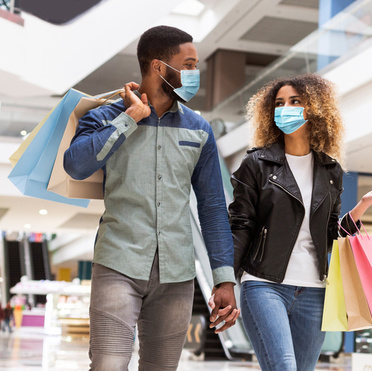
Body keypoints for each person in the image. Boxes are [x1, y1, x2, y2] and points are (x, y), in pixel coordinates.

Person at [64, 25, 239, 370]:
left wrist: (223, 277)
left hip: (177, 273)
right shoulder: (105, 117)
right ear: (159, 67)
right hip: (118, 261)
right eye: (188, 65)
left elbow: (214, 207)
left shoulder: (198, 129)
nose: (194, 73)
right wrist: (130, 119)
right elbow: (76, 165)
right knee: (108, 364)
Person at [227, 74, 372, 371]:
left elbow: (331, 234)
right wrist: (225, 281)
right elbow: (240, 225)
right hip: (265, 284)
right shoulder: (256, 164)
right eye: (279, 103)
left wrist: (364, 205)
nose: (285, 108)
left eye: (294, 101)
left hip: (314, 290)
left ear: (314, 109)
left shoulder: (330, 170)